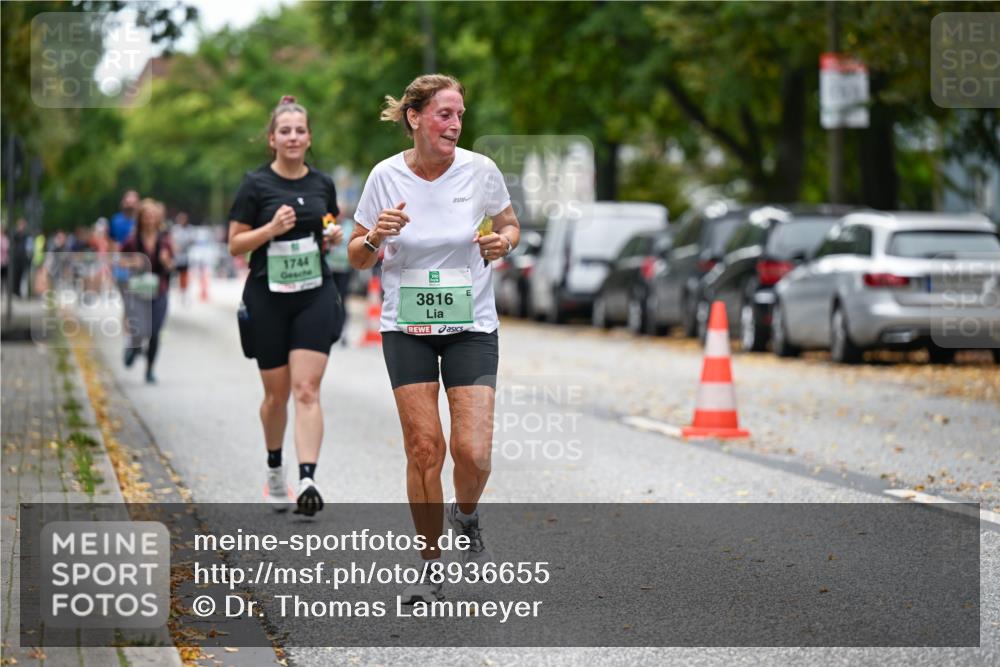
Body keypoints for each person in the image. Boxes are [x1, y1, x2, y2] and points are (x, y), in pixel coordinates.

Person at [348, 74, 520, 603]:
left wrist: (501, 244)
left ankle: (464, 514)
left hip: (470, 324)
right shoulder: (384, 176)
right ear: (415, 117)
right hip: (408, 327)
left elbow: (510, 224)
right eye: (445, 114)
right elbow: (355, 254)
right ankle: (430, 566)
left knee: (474, 452)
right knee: (425, 448)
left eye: (460, 115)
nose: (455, 124)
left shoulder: (480, 170)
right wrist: (376, 235)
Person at [227, 95, 344, 517]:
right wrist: (270, 229)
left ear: (308, 138)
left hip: (314, 294)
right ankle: (275, 468)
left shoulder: (322, 183)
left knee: (307, 390)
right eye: (285, 131)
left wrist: (332, 235)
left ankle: (308, 477)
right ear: (272, 138)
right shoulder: (254, 185)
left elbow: (330, 222)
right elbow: (236, 244)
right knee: (276, 397)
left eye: (300, 131)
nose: (293, 137)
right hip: (267, 298)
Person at [121, 198, 174, 384]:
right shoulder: (132, 240)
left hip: (159, 290)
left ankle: (150, 369)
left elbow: (172, 265)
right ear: (141, 218)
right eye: (146, 216)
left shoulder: (164, 240)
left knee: (155, 331)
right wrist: (132, 262)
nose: (150, 219)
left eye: (153, 216)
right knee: (140, 329)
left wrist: (166, 261)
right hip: (138, 291)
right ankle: (134, 347)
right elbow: (120, 260)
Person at [170, 211, 196, 305]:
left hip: (185, 257)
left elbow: (192, 241)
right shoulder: (175, 229)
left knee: (184, 275)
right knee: (173, 275)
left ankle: (183, 293)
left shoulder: (189, 230)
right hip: (175, 257)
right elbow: (171, 242)